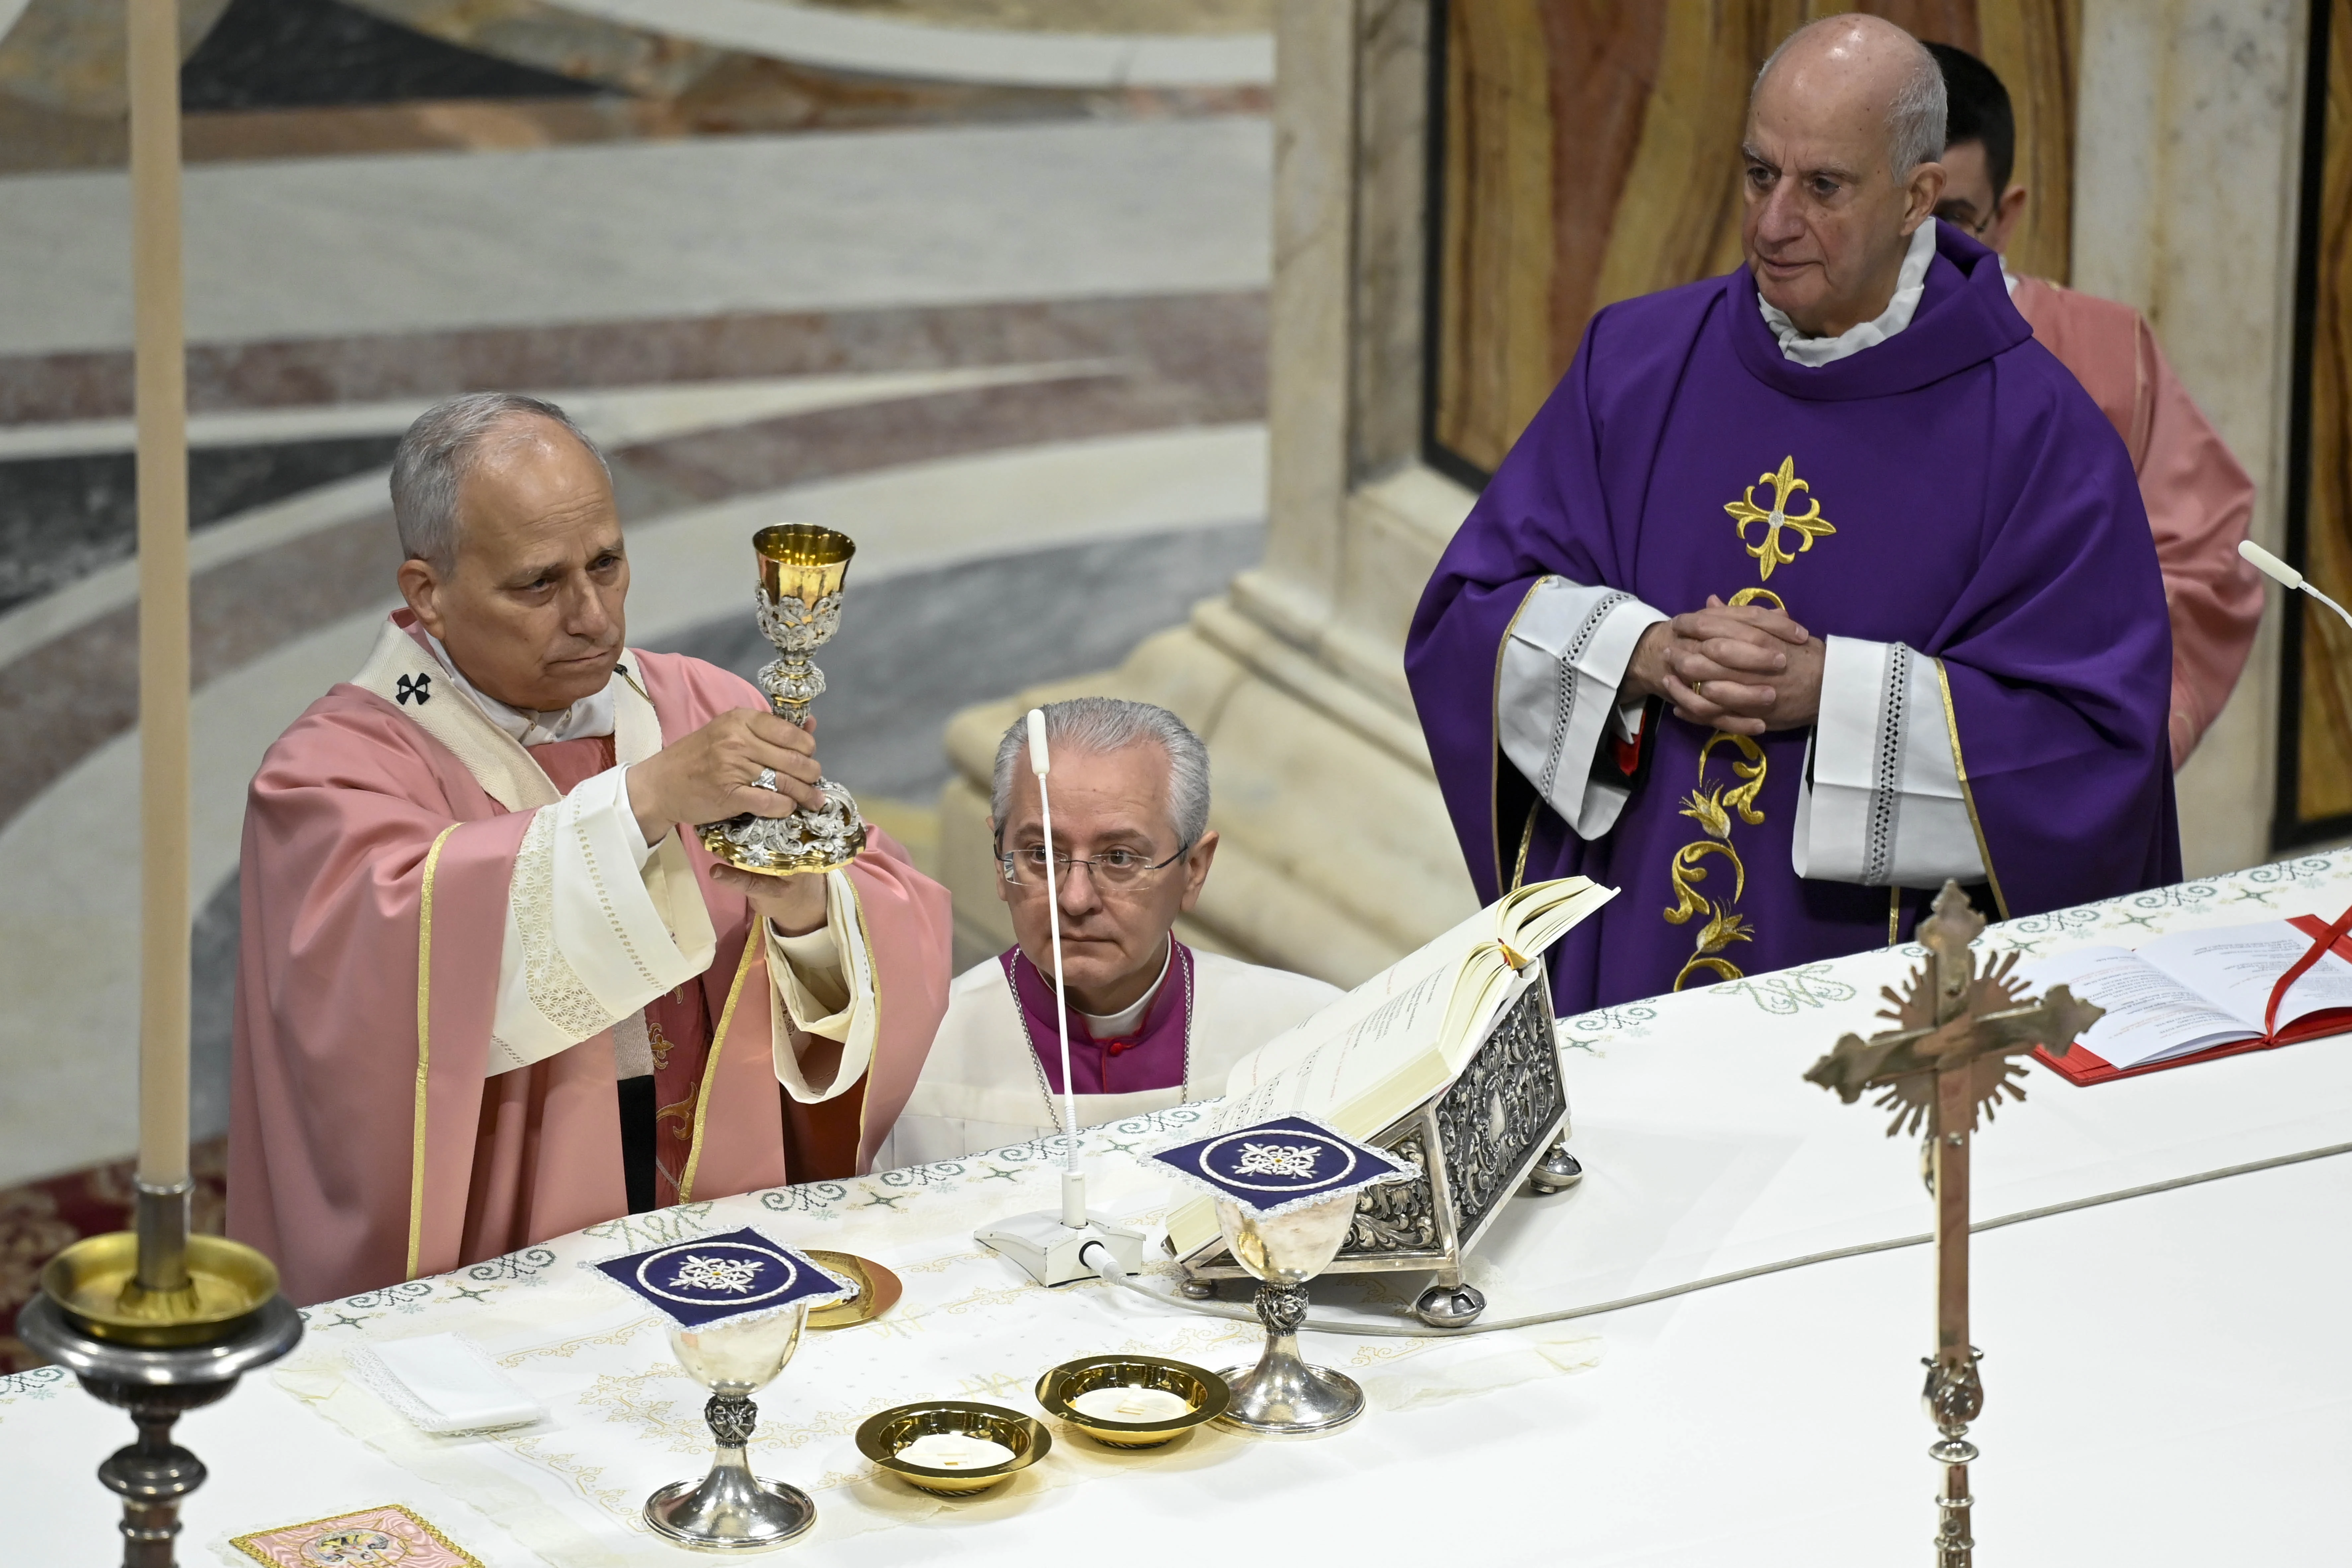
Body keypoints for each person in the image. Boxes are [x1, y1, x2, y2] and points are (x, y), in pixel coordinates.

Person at [1406, 15, 2177, 1016]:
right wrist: (1638, 652)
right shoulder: (1633, 365)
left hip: (1879, 999)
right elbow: (1466, 613)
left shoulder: (2039, 437)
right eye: (1756, 173)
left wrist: (1840, 691)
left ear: (1916, 197)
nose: (1772, 222)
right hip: (1627, 959)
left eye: (1821, 187)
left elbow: (2094, 752)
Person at [228, 392, 951, 1305]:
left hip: (711, 1189)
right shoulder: (332, 773)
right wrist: (642, 802)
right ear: (428, 593)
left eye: (606, 564)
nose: (593, 617)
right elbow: (375, 995)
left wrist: (810, 917)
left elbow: (888, 904)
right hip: (496, 1228)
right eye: (538, 583)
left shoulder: (702, 704)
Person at [1925, 41, 2261, 769]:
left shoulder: (2103, 353)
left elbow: (2204, 559)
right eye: (1902, 214)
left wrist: (2099, 728)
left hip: (2042, 769)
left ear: (2005, 216)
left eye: (1951, 219)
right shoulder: (1794, 348)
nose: (1921, 253)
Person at [868, 698, 1340, 1166]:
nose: (1075, 900)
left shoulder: (1310, 1035)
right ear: (999, 862)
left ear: (1194, 870)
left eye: (1119, 858)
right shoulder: (911, 1064)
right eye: (1041, 854)